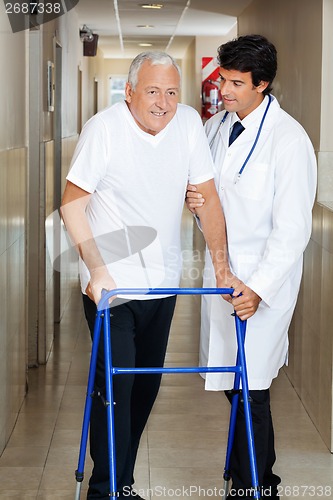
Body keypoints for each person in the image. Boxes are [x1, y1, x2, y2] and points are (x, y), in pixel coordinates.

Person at [61, 51, 243, 500]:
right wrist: (96, 269)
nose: (163, 102)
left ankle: (120, 481)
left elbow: (209, 199)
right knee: (117, 385)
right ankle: (107, 490)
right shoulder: (103, 130)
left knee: (146, 387)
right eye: (152, 91)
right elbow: (71, 204)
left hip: (163, 279)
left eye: (171, 91)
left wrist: (222, 269)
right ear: (129, 93)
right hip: (112, 287)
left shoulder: (186, 125)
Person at [186, 35, 317, 499]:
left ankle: (256, 486)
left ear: (263, 84)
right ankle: (256, 481)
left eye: (236, 83)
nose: (224, 90)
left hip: (262, 284)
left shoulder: (289, 139)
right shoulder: (217, 127)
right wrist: (193, 201)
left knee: (251, 386)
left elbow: (294, 228)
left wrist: (258, 287)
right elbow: (206, 193)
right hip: (222, 276)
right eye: (223, 79)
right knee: (235, 385)